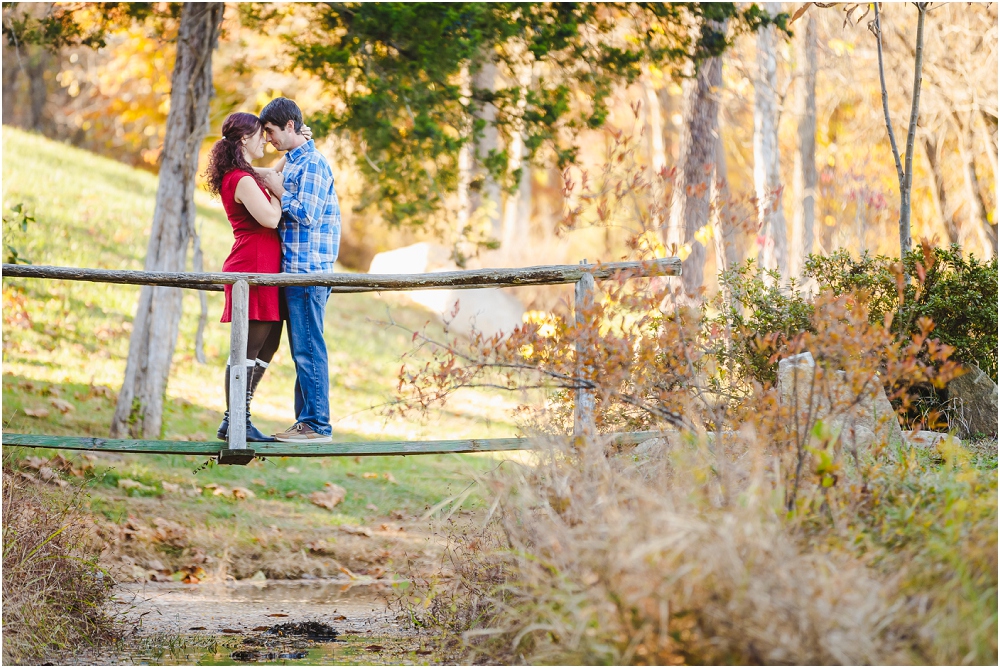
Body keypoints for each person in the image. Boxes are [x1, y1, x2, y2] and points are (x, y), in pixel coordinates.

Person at [259, 97, 341, 444]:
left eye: (272, 132)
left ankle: (317, 425)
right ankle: (306, 421)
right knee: (302, 348)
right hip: (295, 270)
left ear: (290, 126)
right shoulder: (295, 161)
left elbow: (306, 213)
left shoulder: (314, 165)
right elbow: (270, 172)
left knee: (309, 347)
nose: (268, 139)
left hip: (309, 271)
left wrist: (278, 190)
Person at [205, 112, 284, 443]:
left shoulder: (244, 174)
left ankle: (239, 415)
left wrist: (295, 149)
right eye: (259, 134)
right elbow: (269, 219)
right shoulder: (241, 179)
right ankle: (236, 420)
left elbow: (271, 172)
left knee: (270, 342)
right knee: (246, 350)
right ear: (243, 140)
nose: (263, 139)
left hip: (264, 265)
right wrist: (280, 195)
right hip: (252, 265)